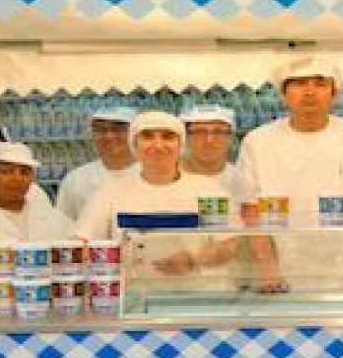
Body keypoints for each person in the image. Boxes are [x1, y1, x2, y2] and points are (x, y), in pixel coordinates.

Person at [235, 57, 343, 289]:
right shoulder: (258, 141)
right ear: (283, 93)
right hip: (283, 274)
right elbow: (250, 210)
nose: (309, 92)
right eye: (299, 83)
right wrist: (268, 270)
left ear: (334, 93)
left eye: (320, 83)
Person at [77, 112, 247, 282]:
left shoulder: (208, 190)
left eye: (168, 137)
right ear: (134, 145)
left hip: (198, 297)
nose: (158, 145)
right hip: (133, 299)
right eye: (147, 137)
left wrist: (193, 260)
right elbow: (82, 244)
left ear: (181, 145)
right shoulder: (110, 192)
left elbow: (230, 244)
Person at [54, 106, 138, 221]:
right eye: (101, 130)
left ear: (135, 134)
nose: (108, 136)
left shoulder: (152, 175)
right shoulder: (75, 180)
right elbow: (62, 228)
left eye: (118, 129)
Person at [180, 104, 249, 204]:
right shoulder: (165, 179)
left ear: (231, 137)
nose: (209, 140)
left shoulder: (244, 181)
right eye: (199, 132)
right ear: (185, 137)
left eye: (218, 132)